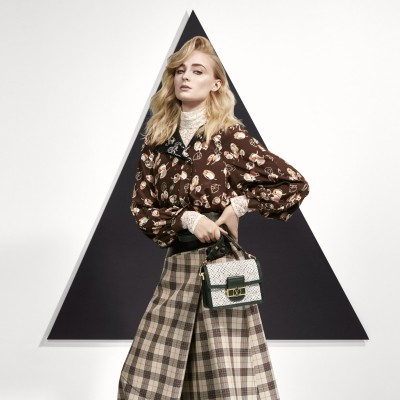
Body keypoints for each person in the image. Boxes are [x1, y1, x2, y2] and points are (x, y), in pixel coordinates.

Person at [118, 36, 310, 400]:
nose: (185, 77)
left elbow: (293, 184)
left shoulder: (229, 136)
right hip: (178, 264)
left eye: (197, 71)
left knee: (227, 379)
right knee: (144, 380)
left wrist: (239, 206)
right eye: (179, 70)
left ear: (216, 83)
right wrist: (187, 218)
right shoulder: (157, 140)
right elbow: (142, 208)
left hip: (221, 264)